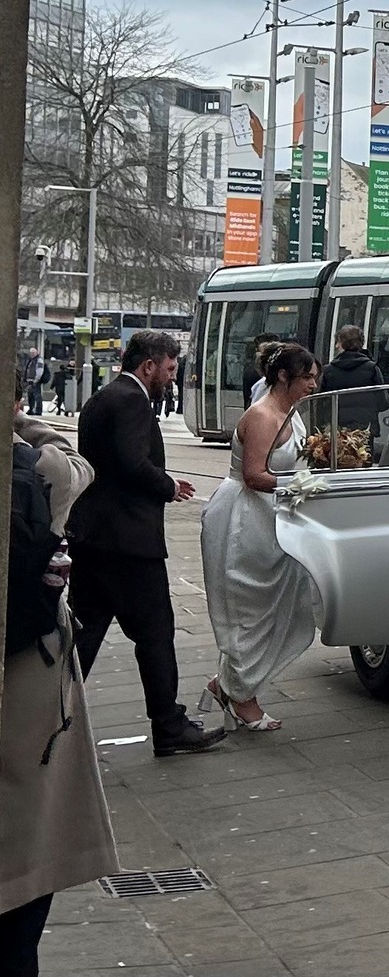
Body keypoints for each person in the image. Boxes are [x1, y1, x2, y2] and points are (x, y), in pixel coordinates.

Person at [66, 331, 225, 756]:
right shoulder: (132, 400)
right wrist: (168, 484)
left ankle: (52, 716)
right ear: (149, 365)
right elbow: (131, 463)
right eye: (170, 369)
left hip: (94, 540)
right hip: (129, 544)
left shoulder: (103, 398)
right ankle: (169, 726)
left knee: (86, 633)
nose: (171, 379)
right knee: (155, 635)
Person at [1, 405, 120, 974]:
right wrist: (22, 422)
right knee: (25, 872)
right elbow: (78, 466)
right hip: (30, 686)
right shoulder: (41, 469)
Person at [200, 344, 322, 733]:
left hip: (275, 517)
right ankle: (241, 696)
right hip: (245, 519)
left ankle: (228, 685)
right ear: (284, 377)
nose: (313, 384)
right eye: (308, 377)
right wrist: (303, 484)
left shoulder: (290, 412)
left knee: (281, 603)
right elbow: (254, 475)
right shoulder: (263, 416)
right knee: (249, 608)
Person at [317, 325, 387, 432]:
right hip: (365, 430)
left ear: (343, 345)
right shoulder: (372, 368)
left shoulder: (328, 370)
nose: (336, 346)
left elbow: (321, 403)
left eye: (338, 342)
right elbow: (384, 403)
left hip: (337, 429)